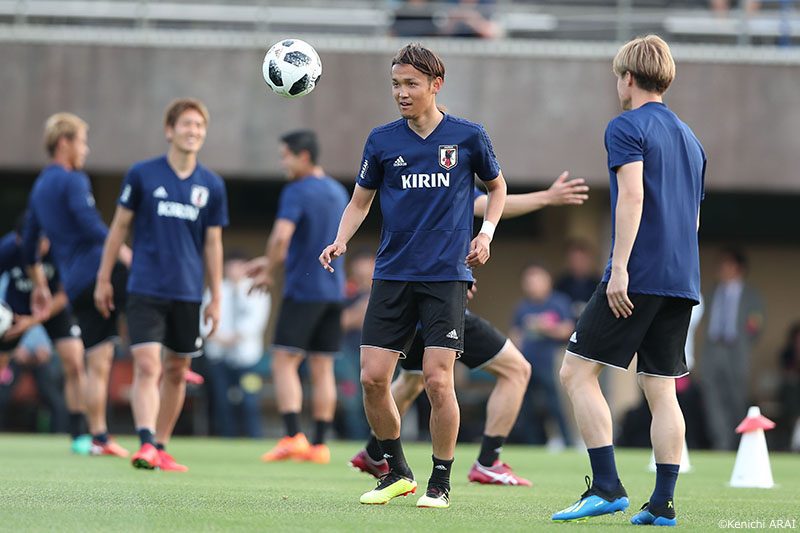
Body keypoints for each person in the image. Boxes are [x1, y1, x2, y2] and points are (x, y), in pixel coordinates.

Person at [320, 43, 507, 509]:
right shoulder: (382, 141)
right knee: (372, 378)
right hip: (392, 274)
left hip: (446, 277)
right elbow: (360, 201)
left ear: (435, 85)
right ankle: (397, 471)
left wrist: (485, 234)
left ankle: (440, 482)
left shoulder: (468, 136)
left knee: (438, 380)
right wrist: (340, 240)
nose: (401, 93)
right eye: (396, 85)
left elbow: (498, 188)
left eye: (411, 84)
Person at [551, 35, 705, 527]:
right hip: (682, 279)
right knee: (660, 388)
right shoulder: (692, 140)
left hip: (638, 274)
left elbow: (633, 196)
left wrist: (619, 267)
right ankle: (662, 503)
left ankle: (606, 487)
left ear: (629, 78)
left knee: (576, 372)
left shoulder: (625, 126)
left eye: (618, 76)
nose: (617, 85)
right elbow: (693, 220)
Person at [350, 175, 589, 486]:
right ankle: (488, 462)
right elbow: (490, 203)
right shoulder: (447, 180)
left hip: (411, 307)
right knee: (516, 370)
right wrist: (547, 197)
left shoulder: (419, 181)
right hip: (438, 306)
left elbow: (489, 203)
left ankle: (375, 452)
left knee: (412, 380)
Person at [95, 98, 228, 472]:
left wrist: (216, 297)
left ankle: (162, 446)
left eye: (199, 125)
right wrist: (103, 278)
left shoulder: (212, 185)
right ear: (170, 130)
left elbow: (213, 244)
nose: (193, 131)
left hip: (188, 292)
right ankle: (145, 442)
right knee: (148, 365)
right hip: (145, 288)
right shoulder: (142, 174)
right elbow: (119, 227)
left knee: (176, 371)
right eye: (186, 124)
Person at [22, 112, 130, 458]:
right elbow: (91, 224)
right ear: (64, 143)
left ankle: (99, 437)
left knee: (98, 360)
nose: (86, 149)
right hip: (102, 273)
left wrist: (40, 284)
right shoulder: (73, 180)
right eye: (82, 141)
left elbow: (29, 243)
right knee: (159, 293)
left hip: (75, 285)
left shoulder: (40, 187)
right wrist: (124, 253)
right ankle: (177, 351)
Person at [243, 130, 348, 465]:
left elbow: (281, 237)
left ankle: (292, 437)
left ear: (303, 156)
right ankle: (319, 445)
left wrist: (269, 271)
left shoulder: (297, 190)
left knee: (284, 360)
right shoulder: (337, 190)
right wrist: (269, 261)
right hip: (334, 291)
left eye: (284, 156)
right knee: (323, 366)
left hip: (304, 290)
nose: (282, 163)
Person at [0, 217, 89, 453]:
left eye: (42, 242)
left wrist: (31, 322)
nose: (38, 248)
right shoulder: (7, 248)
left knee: (75, 361)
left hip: (54, 309)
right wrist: (7, 316)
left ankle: (79, 433)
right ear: (18, 239)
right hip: (16, 310)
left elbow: (65, 294)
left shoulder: (61, 249)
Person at [700, 248, 764, 450]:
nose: (721, 269)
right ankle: (721, 442)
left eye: (727, 264)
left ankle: (739, 443)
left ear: (739, 268)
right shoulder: (711, 293)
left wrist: (744, 345)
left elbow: (756, 327)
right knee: (712, 397)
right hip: (713, 349)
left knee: (737, 397)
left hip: (735, 350)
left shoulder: (751, 295)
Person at [205, 252, 270, 438]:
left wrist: (237, 336)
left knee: (249, 401)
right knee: (222, 402)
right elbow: (204, 320)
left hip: (248, 359)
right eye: (231, 266)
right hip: (219, 355)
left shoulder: (256, 288)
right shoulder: (215, 289)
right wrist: (219, 337)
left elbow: (257, 321)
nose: (234, 270)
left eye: (239, 266)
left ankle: (254, 438)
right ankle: (226, 439)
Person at [510, 263, 574, 448]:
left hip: (550, 362)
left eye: (537, 279)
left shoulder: (559, 302)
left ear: (547, 281)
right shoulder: (522, 307)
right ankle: (533, 444)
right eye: (529, 281)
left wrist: (545, 327)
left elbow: (568, 329)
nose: (533, 284)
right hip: (526, 363)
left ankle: (567, 442)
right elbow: (515, 334)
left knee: (555, 404)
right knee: (527, 406)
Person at [555, 239, 601, 321]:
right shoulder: (562, 283)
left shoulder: (598, 283)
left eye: (581, 259)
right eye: (574, 259)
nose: (578, 263)